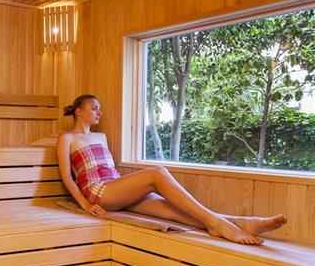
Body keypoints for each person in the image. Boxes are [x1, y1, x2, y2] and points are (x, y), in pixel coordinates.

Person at [57, 94, 286, 245]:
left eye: (100, 109)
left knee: (173, 211)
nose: (99, 112)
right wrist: (86, 205)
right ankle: (220, 224)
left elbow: (110, 170)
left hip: (115, 189)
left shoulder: (101, 136)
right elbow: (67, 177)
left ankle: (240, 222)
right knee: (157, 173)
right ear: (78, 111)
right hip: (98, 191)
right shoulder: (67, 138)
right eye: (94, 108)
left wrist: (129, 189)